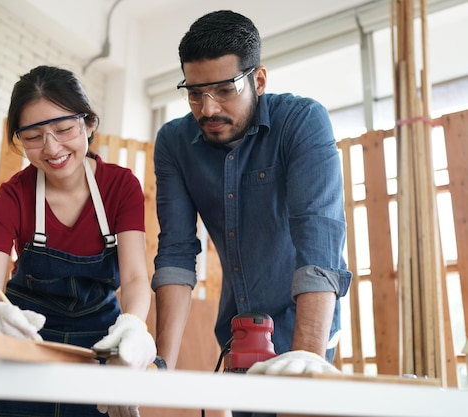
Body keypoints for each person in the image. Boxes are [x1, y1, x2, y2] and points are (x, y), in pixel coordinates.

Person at [151, 10, 352, 416]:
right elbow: (175, 251)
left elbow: (319, 244)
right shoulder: (174, 142)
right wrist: (161, 370)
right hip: (238, 330)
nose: (207, 109)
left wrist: (308, 361)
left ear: (258, 80)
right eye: (194, 93)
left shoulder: (301, 122)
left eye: (225, 89)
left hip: (306, 327)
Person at [0, 65, 156, 417]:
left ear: (88, 124)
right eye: (33, 137)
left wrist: (134, 324)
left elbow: (134, 279)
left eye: (63, 129)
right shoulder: (11, 198)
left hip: (98, 346)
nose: (51, 148)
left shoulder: (121, 187)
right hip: (25, 351)